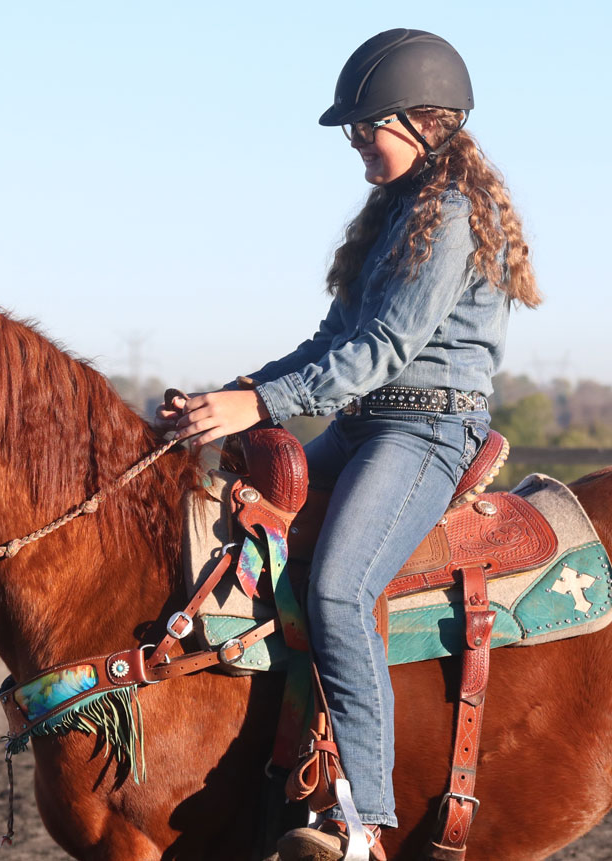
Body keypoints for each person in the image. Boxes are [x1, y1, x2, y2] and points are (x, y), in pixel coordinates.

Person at [157, 28, 541, 861]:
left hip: (427, 430)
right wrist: (231, 397)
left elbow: (380, 352)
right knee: (229, 517)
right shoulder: (395, 215)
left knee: (336, 586)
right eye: (354, 130)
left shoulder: (451, 214)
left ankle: (359, 819)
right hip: (363, 425)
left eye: (367, 126)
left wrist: (259, 402)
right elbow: (329, 342)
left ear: (420, 120)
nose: (357, 142)